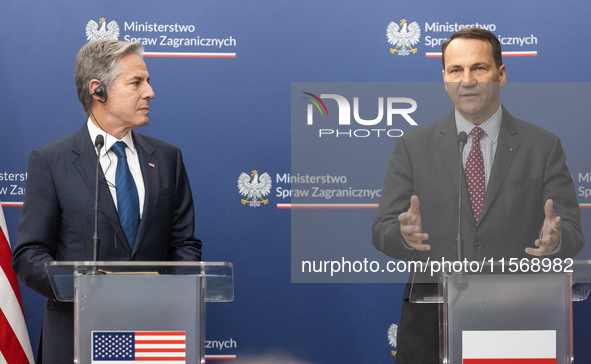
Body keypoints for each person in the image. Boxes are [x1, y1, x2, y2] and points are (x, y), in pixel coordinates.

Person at [372, 28, 584, 363]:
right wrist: (402, 235)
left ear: (501, 74)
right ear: (444, 78)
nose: (467, 79)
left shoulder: (543, 146)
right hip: (432, 326)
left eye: (479, 68)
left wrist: (555, 242)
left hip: (518, 319)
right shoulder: (412, 147)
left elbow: (571, 230)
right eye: (456, 70)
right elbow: (382, 229)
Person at [11, 40, 202, 363]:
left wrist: (174, 292)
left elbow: (183, 243)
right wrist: (80, 285)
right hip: (76, 337)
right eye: (136, 83)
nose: (149, 92)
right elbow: (29, 255)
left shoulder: (168, 158)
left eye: (148, 81)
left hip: (153, 337)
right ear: (98, 91)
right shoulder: (51, 160)